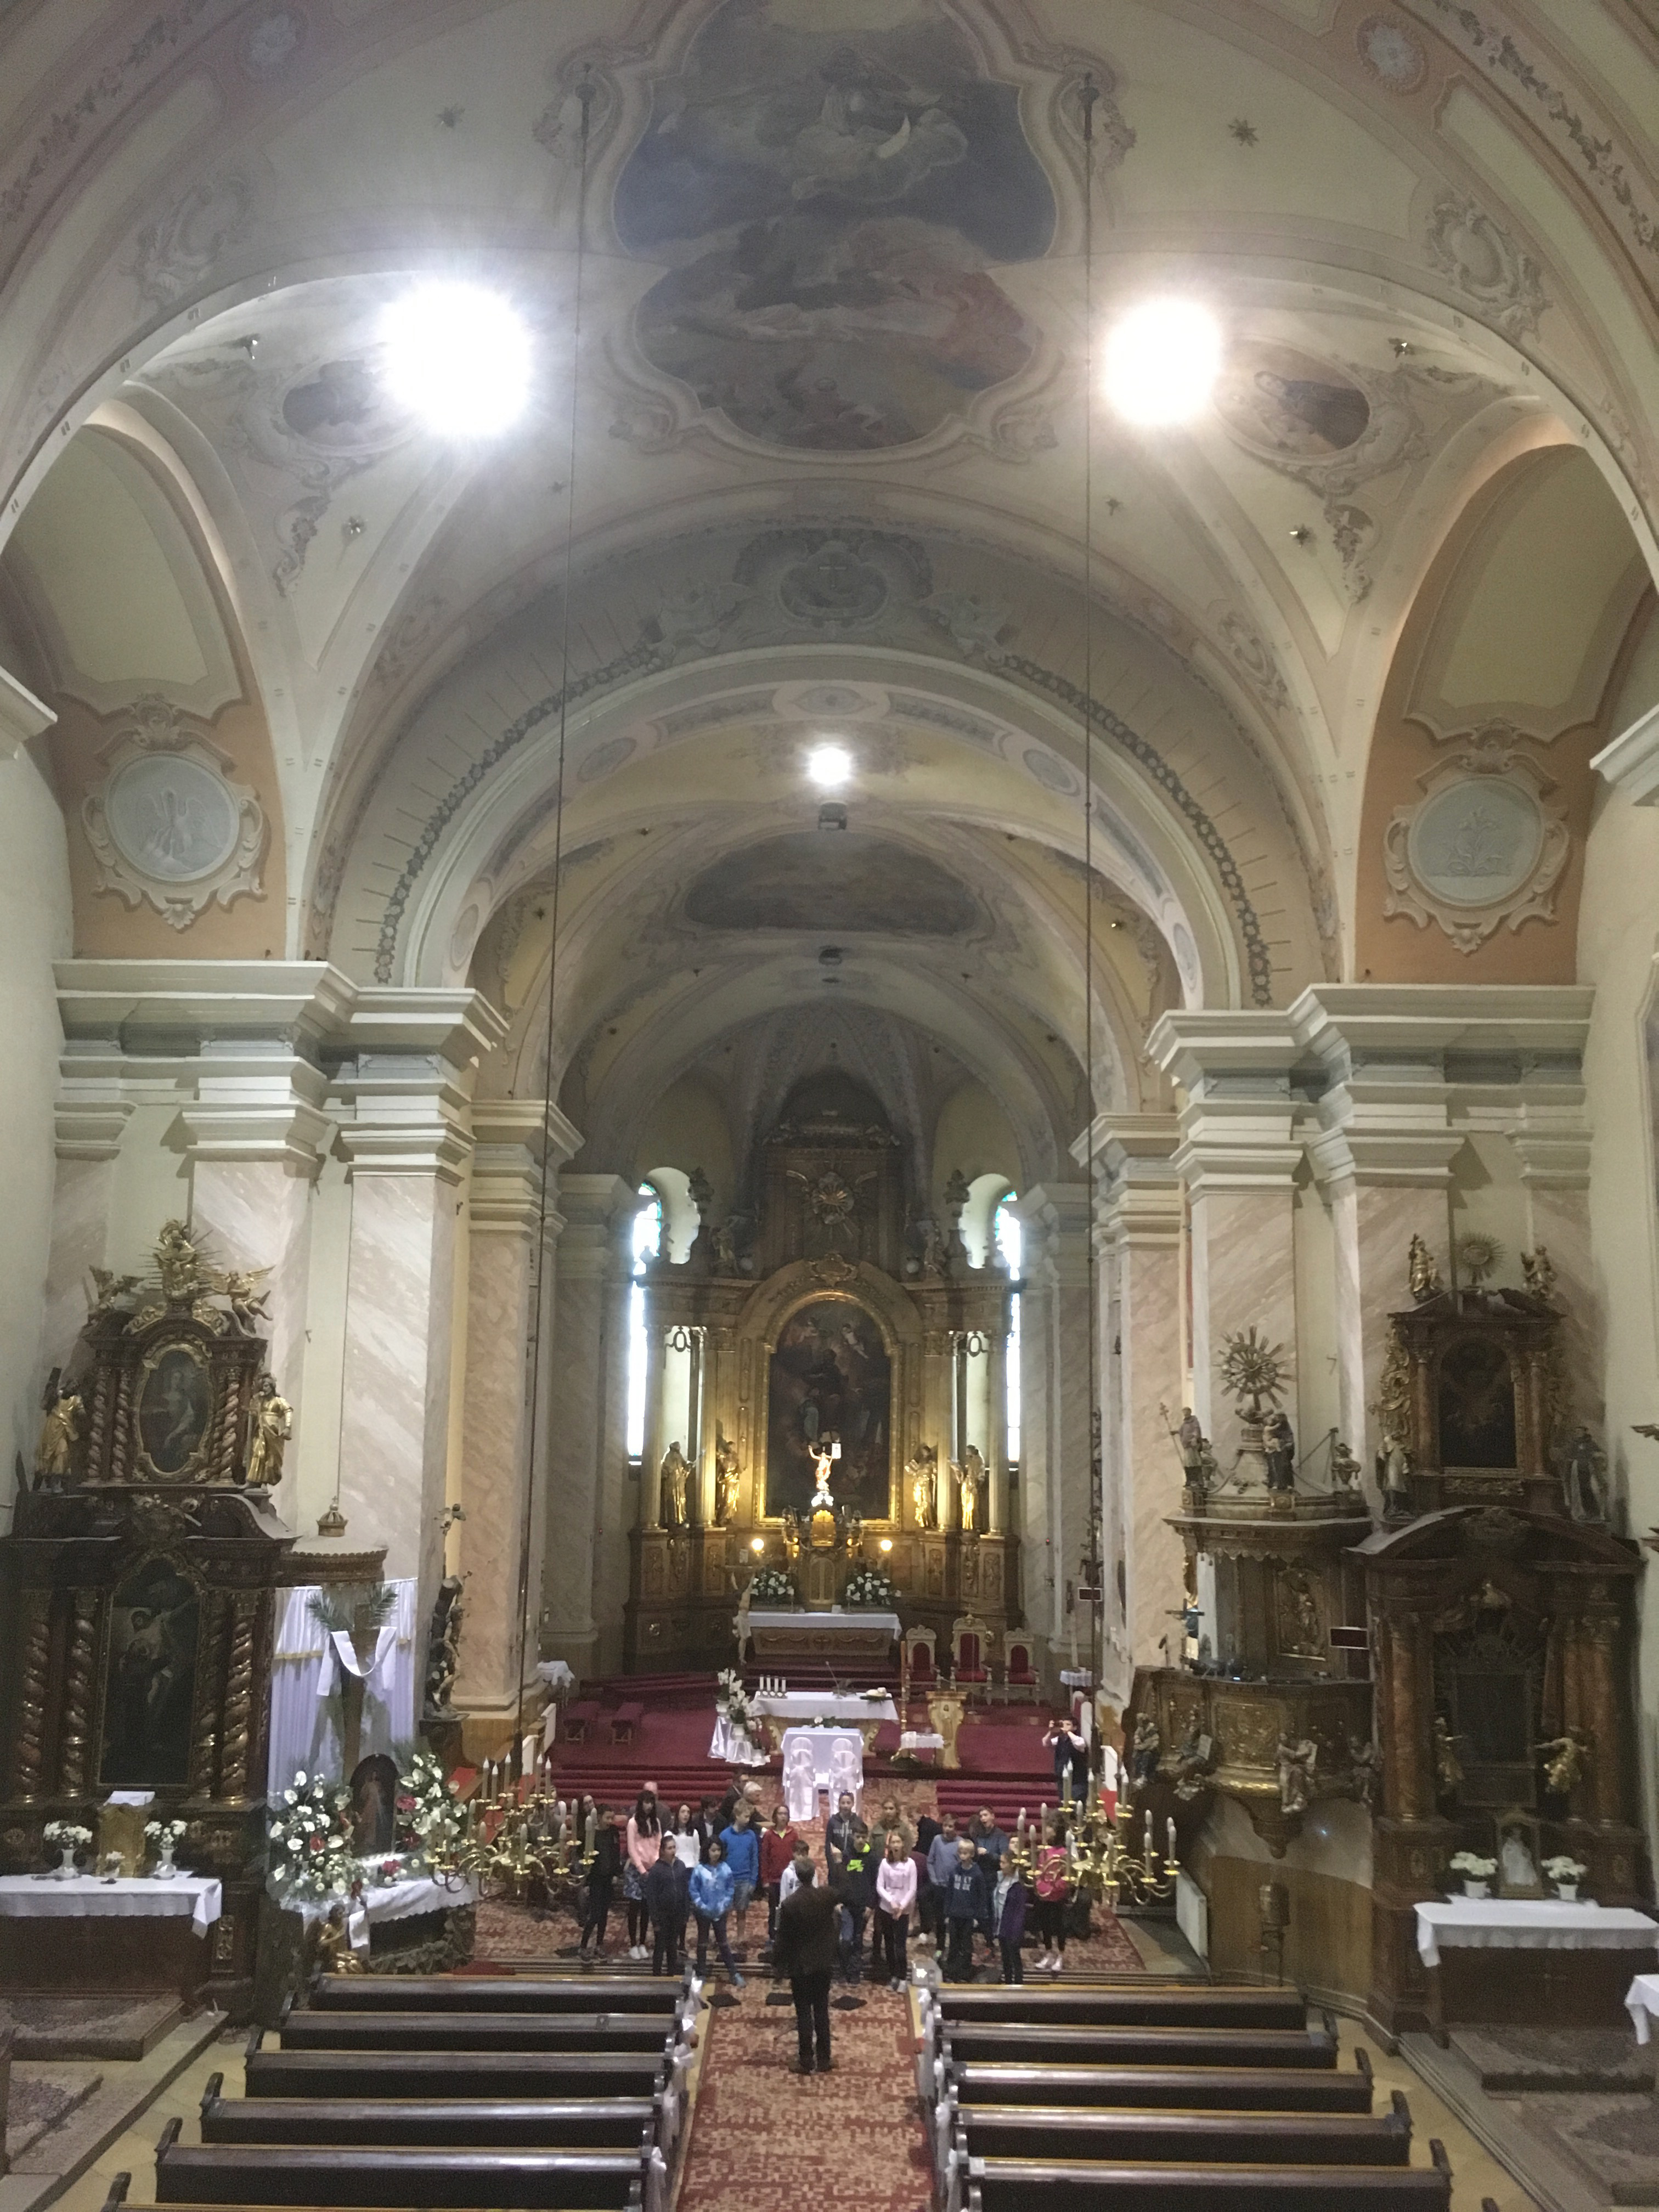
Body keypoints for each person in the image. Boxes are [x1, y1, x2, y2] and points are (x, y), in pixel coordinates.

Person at [773, 1858, 842, 2076]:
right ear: (813, 1875)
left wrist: (778, 1966)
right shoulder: (826, 1896)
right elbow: (845, 1890)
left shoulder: (790, 1904)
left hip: (801, 1966)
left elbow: (783, 1939)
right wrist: (839, 1863)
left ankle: (805, 2060)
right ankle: (824, 2058)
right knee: (822, 2010)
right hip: (823, 1963)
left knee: (804, 2013)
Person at [689, 1835, 744, 1987]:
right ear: (707, 1851)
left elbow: (730, 1889)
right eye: (713, 1850)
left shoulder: (725, 1869)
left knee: (723, 1943)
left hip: (720, 1912)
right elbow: (694, 1890)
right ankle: (701, 1973)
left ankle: (733, 1973)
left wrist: (723, 1905)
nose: (716, 1853)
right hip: (703, 1913)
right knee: (703, 1943)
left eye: (719, 1850)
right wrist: (702, 1906)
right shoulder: (699, 1870)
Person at [873, 1827, 917, 1990]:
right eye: (893, 1842)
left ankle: (902, 1977)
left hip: (903, 1911)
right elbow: (880, 1886)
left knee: (900, 1946)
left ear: (903, 1844)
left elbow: (912, 1889)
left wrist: (902, 1906)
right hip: (887, 1908)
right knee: (889, 1944)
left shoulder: (910, 1864)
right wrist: (891, 1902)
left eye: (898, 1842)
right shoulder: (885, 1863)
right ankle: (893, 1975)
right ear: (889, 1845)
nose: (896, 1845)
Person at [944, 1835, 991, 1982]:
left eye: (965, 1853)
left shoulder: (977, 1874)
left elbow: (981, 1896)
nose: (962, 1856)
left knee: (966, 1945)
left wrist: (978, 1916)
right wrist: (947, 1912)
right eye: (961, 1853)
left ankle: (964, 1971)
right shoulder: (954, 1871)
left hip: (968, 1916)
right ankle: (951, 1971)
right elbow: (949, 1892)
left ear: (971, 1855)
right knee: (953, 1943)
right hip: (954, 1914)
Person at [719, 1801, 761, 1953]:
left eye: (749, 1816)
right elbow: (720, 1859)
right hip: (728, 1880)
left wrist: (753, 1880)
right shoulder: (725, 1835)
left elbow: (754, 1859)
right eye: (746, 1816)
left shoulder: (751, 1836)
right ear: (737, 1815)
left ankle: (740, 1938)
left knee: (742, 1910)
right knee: (725, 1911)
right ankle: (722, 1939)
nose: (748, 1819)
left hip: (745, 1879)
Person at [578, 1804, 620, 1957]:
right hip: (596, 1879)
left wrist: (616, 1873)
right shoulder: (591, 1835)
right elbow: (585, 1859)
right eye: (607, 1818)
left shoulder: (613, 1832)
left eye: (612, 1818)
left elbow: (616, 1853)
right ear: (599, 1817)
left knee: (604, 1915)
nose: (610, 1821)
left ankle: (599, 1944)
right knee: (595, 1914)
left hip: (608, 1879)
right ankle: (583, 1945)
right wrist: (587, 1882)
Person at [624, 1788, 661, 1959]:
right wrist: (642, 1869)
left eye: (651, 1802)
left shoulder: (656, 1822)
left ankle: (643, 1942)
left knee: (647, 1908)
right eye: (646, 1802)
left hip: (652, 1870)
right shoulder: (633, 1823)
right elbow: (632, 1848)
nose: (649, 1806)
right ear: (641, 1804)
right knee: (634, 1908)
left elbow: (658, 1844)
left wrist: (655, 1864)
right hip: (636, 1870)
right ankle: (633, 1944)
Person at [1032, 1816, 1071, 1974]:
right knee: (1045, 1925)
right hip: (1044, 1895)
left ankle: (1060, 1955)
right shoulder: (1044, 1851)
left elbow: (1066, 1875)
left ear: (1055, 1832)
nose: (1045, 1830)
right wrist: (1040, 1885)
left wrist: (1056, 1888)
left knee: (1059, 1926)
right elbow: (1040, 1871)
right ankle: (1049, 1952)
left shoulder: (1063, 1852)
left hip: (1057, 1896)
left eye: (1049, 1827)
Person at [838, 1819, 874, 1984]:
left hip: (863, 1906)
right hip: (847, 1904)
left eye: (863, 1837)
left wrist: (871, 1905)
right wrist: (838, 1901)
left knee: (858, 1940)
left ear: (867, 1838)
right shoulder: (847, 1855)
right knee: (846, 1940)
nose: (860, 1840)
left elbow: (876, 1883)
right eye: (858, 1837)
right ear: (853, 1837)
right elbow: (840, 1878)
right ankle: (843, 1969)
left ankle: (854, 1973)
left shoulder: (872, 1857)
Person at [645, 1841, 688, 1976]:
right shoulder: (656, 1870)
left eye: (674, 1847)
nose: (673, 1851)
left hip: (677, 1913)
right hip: (662, 1915)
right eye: (670, 1848)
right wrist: (655, 1920)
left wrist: (686, 1912)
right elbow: (651, 1897)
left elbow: (685, 1890)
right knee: (660, 1946)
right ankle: (657, 1976)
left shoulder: (681, 1866)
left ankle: (671, 1974)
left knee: (673, 1946)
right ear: (663, 1851)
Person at [759, 1803, 798, 1945]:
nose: (783, 1816)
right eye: (780, 1813)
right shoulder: (769, 1835)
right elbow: (764, 1857)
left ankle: (788, 1934)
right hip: (774, 1879)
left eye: (785, 1814)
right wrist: (765, 1880)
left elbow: (797, 1855)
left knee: (789, 1907)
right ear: (775, 1816)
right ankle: (773, 1936)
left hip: (789, 1879)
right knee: (774, 1909)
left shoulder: (793, 1834)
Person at [924, 1813, 961, 1947]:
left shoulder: (960, 1843)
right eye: (945, 1826)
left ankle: (954, 1948)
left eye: (950, 1826)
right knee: (940, 1920)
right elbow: (930, 1861)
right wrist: (934, 1879)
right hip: (939, 1886)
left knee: (953, 1920)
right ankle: (940, 1947)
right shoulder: (937, 1840)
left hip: (954, 1888)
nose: (947, 1829)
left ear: (955, 1828)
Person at [993, 1853, 1028, 1984]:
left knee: (1015, 1957)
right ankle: (1008, 1982)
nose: (1000, 1865)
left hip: (1012, 1927)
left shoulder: (1019, 1885)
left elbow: (1020, 1912)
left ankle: (1018, 1984)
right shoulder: (1001, 1878)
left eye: (1003, 1863)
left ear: (1011, 1865)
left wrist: (1016, 1932)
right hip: (1002, 1924)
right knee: (1005, 1958)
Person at [1043, 1716, 1085, 1803]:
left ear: (1075, 1727)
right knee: (1063, 1802)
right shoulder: (1060, 1739)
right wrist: (1051, 1732)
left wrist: (1068, 1732)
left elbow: (1080, 1744)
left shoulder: (1078, 1739)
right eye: (1063, 1724)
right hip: (1061, 1776)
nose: (1065, 1727)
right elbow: (1046, 1743)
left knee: (1075, 1802)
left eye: (1068, 1724)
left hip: (1077, 1779)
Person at [825, 1790, 858, 1880]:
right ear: (839, 1804)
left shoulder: (858, 1822)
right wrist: (831, 1866)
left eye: (848, 1803)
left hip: (852, 1864)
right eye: (843, 1803)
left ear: (853, 1804)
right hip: (836, 1864)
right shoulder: (833, 1822)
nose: (846, 1806)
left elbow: (860, 1845)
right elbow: (828, 1845)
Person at [778, 1839, 816, 1905]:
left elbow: (815, 1889)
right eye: (799, 1854)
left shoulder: (812, 1870)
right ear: (794, 1854)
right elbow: (783, 1893)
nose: (801, 1857)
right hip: (791, 1906)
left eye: (804, 1855)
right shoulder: (787, 1872)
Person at [669, 1803, 702, 1868]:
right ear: (677, 1814)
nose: (686, 1815)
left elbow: (697, 1852)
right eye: (683, 1812)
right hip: (677, 1868)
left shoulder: (694, 1833)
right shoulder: (670, 1834)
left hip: (692, 1867)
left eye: (688, 1812)